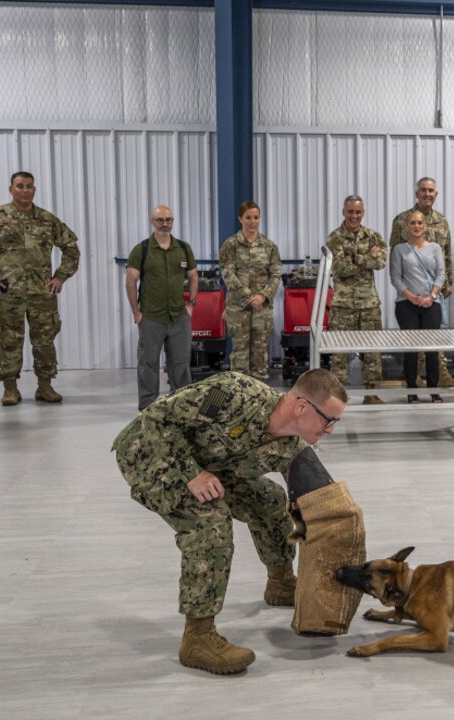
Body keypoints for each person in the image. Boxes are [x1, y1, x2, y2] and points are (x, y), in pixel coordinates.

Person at [112, 369, 357, 675]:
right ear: (301, 407)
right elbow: (158, 419)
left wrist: (347, 552)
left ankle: (280, 583)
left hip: (212, 466)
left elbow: (325, 501)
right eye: (328, 420)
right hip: (151, 453)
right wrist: (192, 473)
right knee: (209, 523)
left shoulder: (291, 447)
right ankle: (197, 638)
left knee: (269, 500)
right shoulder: (233, 394)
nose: (331, 429)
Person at [0, 171, 80, 405]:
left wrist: (60, 277)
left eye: (29, 186)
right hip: (7, 294)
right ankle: (10, 389)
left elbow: (71, 248)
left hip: (42, 294)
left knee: (45, 342)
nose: (25, 190)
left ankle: (45, 387)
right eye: (20, 186)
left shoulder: (47, 219)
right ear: (11, 189)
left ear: (34, 190)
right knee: (9, 341)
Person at [125, 205, 199, 410]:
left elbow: (193, 275)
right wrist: (137, 313)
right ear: (152, 222)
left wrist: (191, 304)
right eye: (160, 220)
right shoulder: (142, 250)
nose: (165, 224)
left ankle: (182, 406)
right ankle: (148, 408)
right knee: (148, 364)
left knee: (181, 364)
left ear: (172, 221)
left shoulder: (183, 249)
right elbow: (131, 281)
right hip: (151, 318)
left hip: (178, 317)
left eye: (168, 220)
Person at [389, 177, 454, 388]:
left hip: (434, 290)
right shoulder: (402, 219)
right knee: (413, 344)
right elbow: (396, 253)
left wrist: (447, 283)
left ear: (435, 194)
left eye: (431, 191)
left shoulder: (442, 220)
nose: (427, 194)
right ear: (417, 193)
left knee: (432, 342)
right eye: (423, 190)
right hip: (410, 292)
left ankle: (437, 379)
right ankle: (413, 381)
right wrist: (409, 294)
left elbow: (446, 254)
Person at [326, 195, 386, 404]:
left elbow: (380, 262)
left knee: (372, 350)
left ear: (363, 213)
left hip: (369, 303)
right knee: (340, 353)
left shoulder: (373, 236)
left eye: (358, 212)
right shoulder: (334, 239)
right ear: (343, 212)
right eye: (350, 212)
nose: (354, 216)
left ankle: (371, 393)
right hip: (343, 305)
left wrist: (354, 258)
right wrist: (367, 259)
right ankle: (338, 397)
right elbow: (340, 268)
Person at [219, 201, 281, 381]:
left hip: (262, 309)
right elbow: (228, 274)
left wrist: (262, 296)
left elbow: (276, 274)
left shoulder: (269, 246)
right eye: (248, 218)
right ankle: (240, 399)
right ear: (240, 219)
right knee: (240, 355)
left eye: (256, 217)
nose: (253, 222)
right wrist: (249, 297)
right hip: (239, 309)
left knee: (260, 354)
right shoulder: (230, 245)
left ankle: (260, 399)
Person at [390, 210, 447, 403]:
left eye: (420, 223)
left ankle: (433, 389)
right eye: (412, 223)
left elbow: (441, 274)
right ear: (407, 226)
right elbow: (395, 278)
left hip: (432, 303)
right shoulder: (399, 249)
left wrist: (431, 296)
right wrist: (411, 296)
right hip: (407, 304)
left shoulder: (435, 248)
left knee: (432, 349)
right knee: (411, 349)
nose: (416, 226)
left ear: (425, 226)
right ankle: (412, 390)